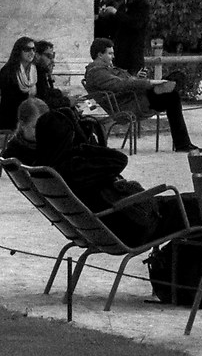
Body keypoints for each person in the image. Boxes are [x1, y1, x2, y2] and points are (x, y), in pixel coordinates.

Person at [27, 96, 180, 246]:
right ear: (69, 137)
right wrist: (82, 143)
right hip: (132, 227)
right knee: (199, 208)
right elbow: (120, 159)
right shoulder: (75, 167)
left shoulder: (44, 168)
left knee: (194, 206)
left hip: (110, 223)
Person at [82, 37, 200, 154]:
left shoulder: (104, 69)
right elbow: (119, 84)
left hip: (135, 99)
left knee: (173, 90)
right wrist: (148, 83)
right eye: (110, 53)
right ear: (100, 55)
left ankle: (183, 143)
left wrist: (137, 78)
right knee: (173, 95)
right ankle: (182, 143)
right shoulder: (97, 72)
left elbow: (123, 83)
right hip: (130, 104)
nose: (113, 56)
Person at [0, 35, 39, 130]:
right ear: (19, 51)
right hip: (12, 115)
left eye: (33, 49)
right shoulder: (8, 71)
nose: (31, 52)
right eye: (27, 49)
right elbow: (10, 99)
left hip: (30, 111)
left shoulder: (35, 70)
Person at [111, 0, 150, 74]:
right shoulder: (123, 5)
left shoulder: (143, 5)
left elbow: (136, 23)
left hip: (134, 55)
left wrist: (116, 13)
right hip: (120, 55)